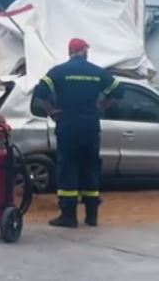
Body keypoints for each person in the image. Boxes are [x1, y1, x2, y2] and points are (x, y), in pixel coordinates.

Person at [32, 38, 118, 228]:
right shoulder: (97, 72)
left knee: (68, 168)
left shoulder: (59, 72)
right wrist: (101, 107)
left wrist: (51, 111)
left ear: (69, 52)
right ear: (84, 52)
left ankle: (69, 217)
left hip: (68, 126)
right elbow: (119, 90)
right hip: (90, 127)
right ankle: (92, 216)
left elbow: (40, 91)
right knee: (90, 168)